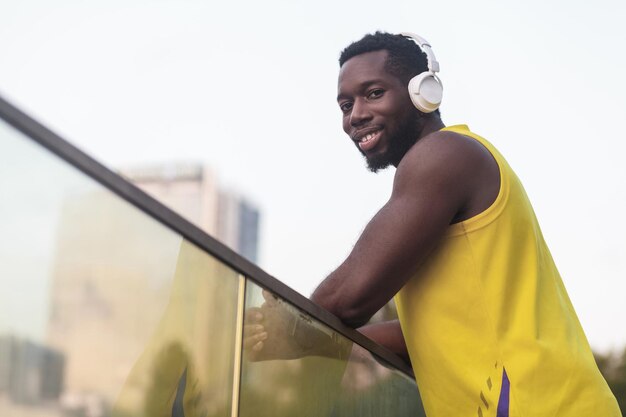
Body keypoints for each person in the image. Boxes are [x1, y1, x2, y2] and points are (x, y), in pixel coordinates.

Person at [247, 32, 621, 416]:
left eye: (373, 93)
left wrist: (290, 324)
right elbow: (420, 339)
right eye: (346, 104)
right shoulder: (439, 175)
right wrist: (316, 339)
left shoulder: (444, 155)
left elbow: (352, 295)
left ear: (423, 93)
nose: (355, 114)